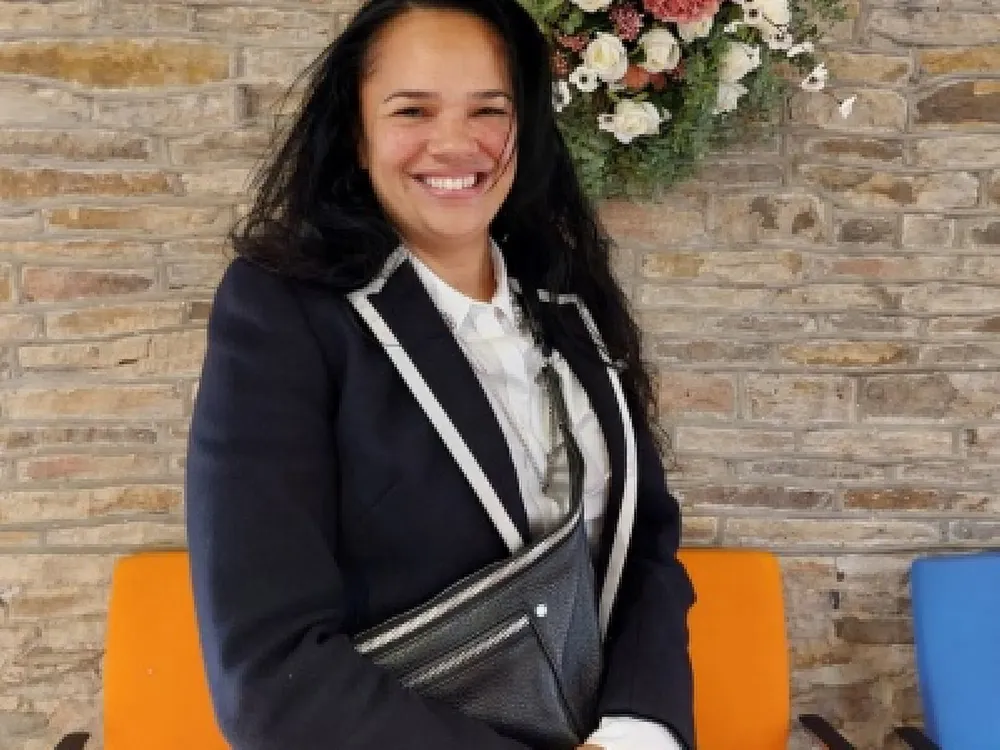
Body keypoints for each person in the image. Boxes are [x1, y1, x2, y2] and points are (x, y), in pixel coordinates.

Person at [184, 0, 696, 747]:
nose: (455, 143)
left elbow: (646, 538)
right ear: (357, 134)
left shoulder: (567, 297)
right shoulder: (284, 311)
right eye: (412, 110)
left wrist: (639, 728)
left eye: (489, 110)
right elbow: (270, 673)